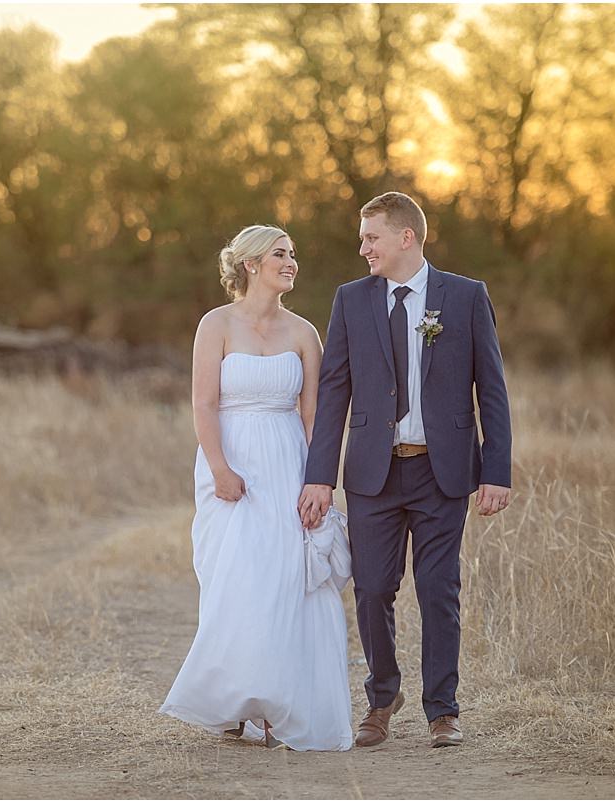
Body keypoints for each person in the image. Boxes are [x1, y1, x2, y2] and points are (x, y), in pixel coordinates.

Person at [298, 192, 512, 749]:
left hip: (442, 472)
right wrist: (319, 475)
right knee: (371, 588)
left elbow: (491, 388)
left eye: (371, 237)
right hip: (373, 473)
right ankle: (382, 695)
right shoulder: (351, 300)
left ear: (405, 238)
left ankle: (443, 710)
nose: (363, 247)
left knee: (439, 589)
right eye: (363, 238)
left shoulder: (464, 297)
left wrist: (497, 470)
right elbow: (334, 392)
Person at [158, 225, 354, 752]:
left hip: (289, 459)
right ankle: (234, 699)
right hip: (232, 461)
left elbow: (315, 414)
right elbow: (203, 404)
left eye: (293, 254)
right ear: (250, 264)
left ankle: (280, 703)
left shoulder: (303, 333)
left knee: (289, 577)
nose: (291, 263)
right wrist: (220, 468)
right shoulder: (215, 325)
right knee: (236, 579)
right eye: (280, 254)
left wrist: (320, 480)